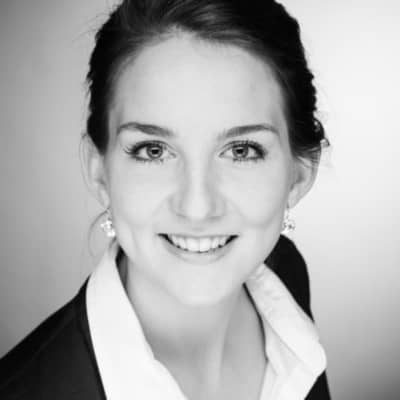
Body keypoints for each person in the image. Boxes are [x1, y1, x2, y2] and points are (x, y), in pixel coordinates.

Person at [0, 0, 331, 399]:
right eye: (153, 150)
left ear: (299, 173)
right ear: (100, 171)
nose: (197, 208)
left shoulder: (284, 270)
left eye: (241, 150)